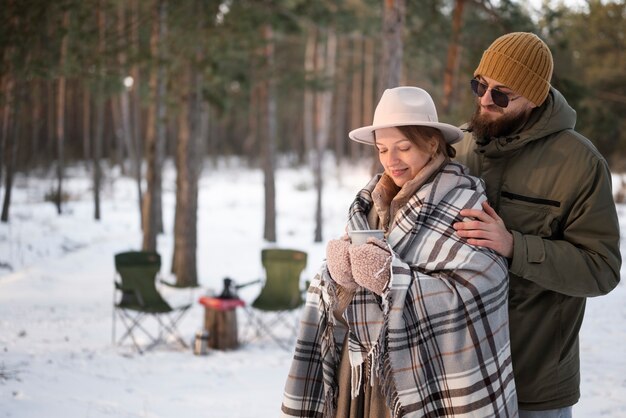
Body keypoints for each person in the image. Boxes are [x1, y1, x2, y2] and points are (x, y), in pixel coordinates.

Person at [281, 86, 518, 418]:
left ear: (432, 143)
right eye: (382, 149)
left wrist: (392, 280)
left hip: (419, 379)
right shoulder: (368, 204)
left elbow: (481, 288)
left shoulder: (463, 203)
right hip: (360, 379)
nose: (391, 161)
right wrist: (336, 277)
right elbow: (348, 291)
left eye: (403, 148)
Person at [452, 32, 622, 417]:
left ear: (535, 96)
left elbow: (602, 269)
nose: (483, 100)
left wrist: (515, 246)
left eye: (500, 94)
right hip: (457, 377)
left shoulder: (580, 163)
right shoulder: (458, 146)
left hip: (533, 383)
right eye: (479, 85)